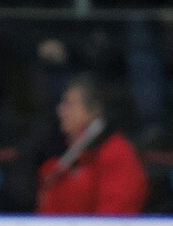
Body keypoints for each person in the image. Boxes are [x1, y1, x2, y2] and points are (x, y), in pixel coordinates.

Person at [37, 74, 148, 215]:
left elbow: (115, 215)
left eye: (69, 104)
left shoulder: (115, 153)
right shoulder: (70, 154)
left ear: (93, 110)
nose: (60, 110)